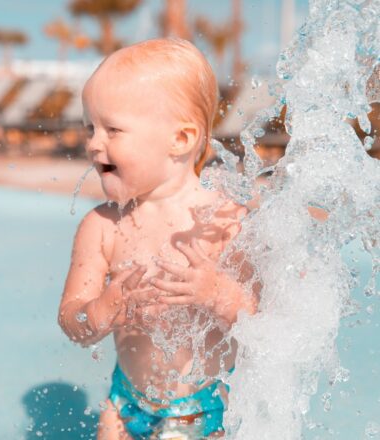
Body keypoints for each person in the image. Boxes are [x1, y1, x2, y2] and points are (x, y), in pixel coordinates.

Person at [58, 38, 257, 439]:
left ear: (180, 140)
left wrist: (219, 293)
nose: (94, 142)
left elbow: (263, 323)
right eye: (90, 128)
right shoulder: (102, 227)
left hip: (209, 407)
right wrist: (100, 310)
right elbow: (71, 320)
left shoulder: (227, 224)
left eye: (112, 129)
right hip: (126, 402)